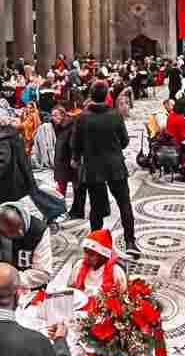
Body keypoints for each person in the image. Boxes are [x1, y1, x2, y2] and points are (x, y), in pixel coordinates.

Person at [72, 80, 138, 255]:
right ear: (106, 95)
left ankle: (96, 243)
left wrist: (76, 158)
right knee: (124, 204)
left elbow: (75, 144)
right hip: (115, 165)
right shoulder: (115, 115)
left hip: (93, 168)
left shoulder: (82, 117)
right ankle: (130, 242)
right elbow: (124, 141)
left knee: (96, 207)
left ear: (91, 95)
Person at [0, 203, 53, 289]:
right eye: (12, 232)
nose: (20, 233)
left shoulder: (39, 230)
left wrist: (7, 279)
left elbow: (43, 273)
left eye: (21, 227)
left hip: (21, 282)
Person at [0, 107, 35, 208]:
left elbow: (3, 160)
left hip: (6, 182)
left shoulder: (2, 138)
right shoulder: (12, 132)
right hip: (15, 178)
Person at [51, 107, 86, 219]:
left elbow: (73, 145)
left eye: (56, 115)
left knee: (76, 188)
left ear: (63, 115)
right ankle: (62, 210)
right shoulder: (59, 126)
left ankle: (76, 211)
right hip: (62, 161)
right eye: (52, 115)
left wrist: (74, 159)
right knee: (61, 187)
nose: (54, 118)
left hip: (70, 162)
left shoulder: (71, 127)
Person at [68, 230, 127, 295]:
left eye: (91, 254)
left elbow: (122, 294)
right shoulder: (79, 266)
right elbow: (71, 288)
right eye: (86, 252)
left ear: (102, 256)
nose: (87, 257)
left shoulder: (116, 271)